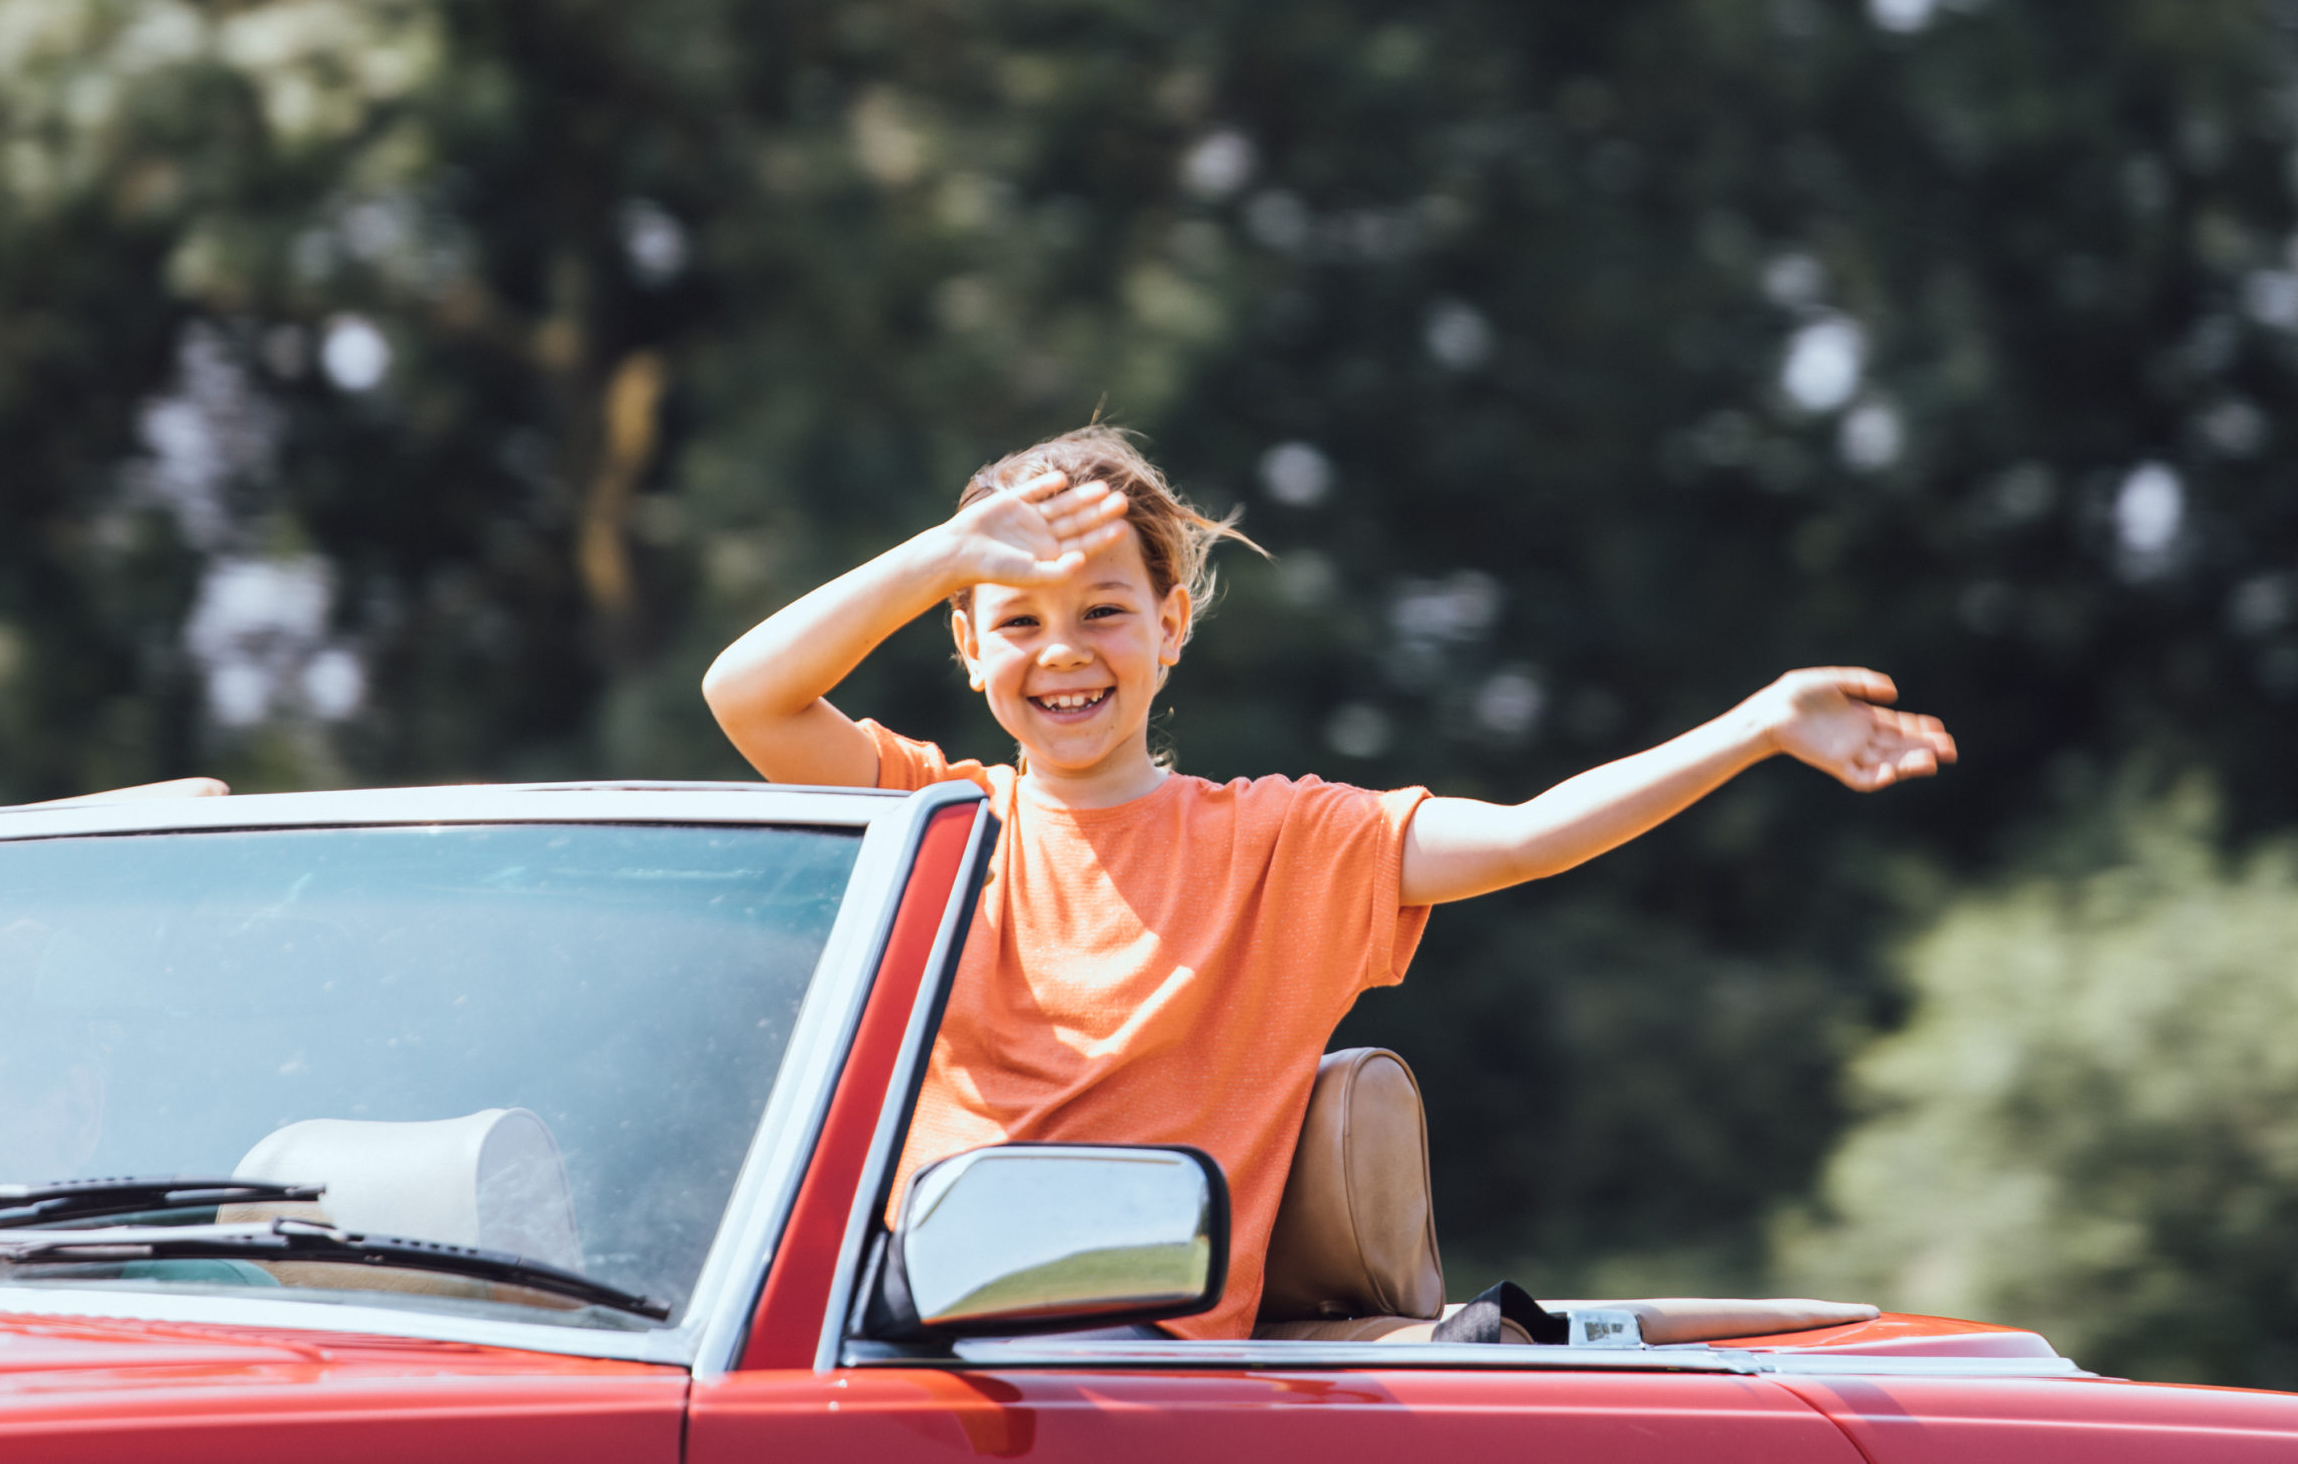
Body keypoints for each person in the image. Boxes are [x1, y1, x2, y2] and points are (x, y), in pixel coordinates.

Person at [702, 424, 1955, 1338]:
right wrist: (940, 554)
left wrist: (1755, 726)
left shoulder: (1279, 844)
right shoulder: (937, 818)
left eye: (1103, 612)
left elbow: (1525, 835)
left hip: (1144, 1384)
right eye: (1017, 621)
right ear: (967, 648)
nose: (1063, 653)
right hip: (919, 1359)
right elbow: (744, 694)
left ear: (1171, 627)